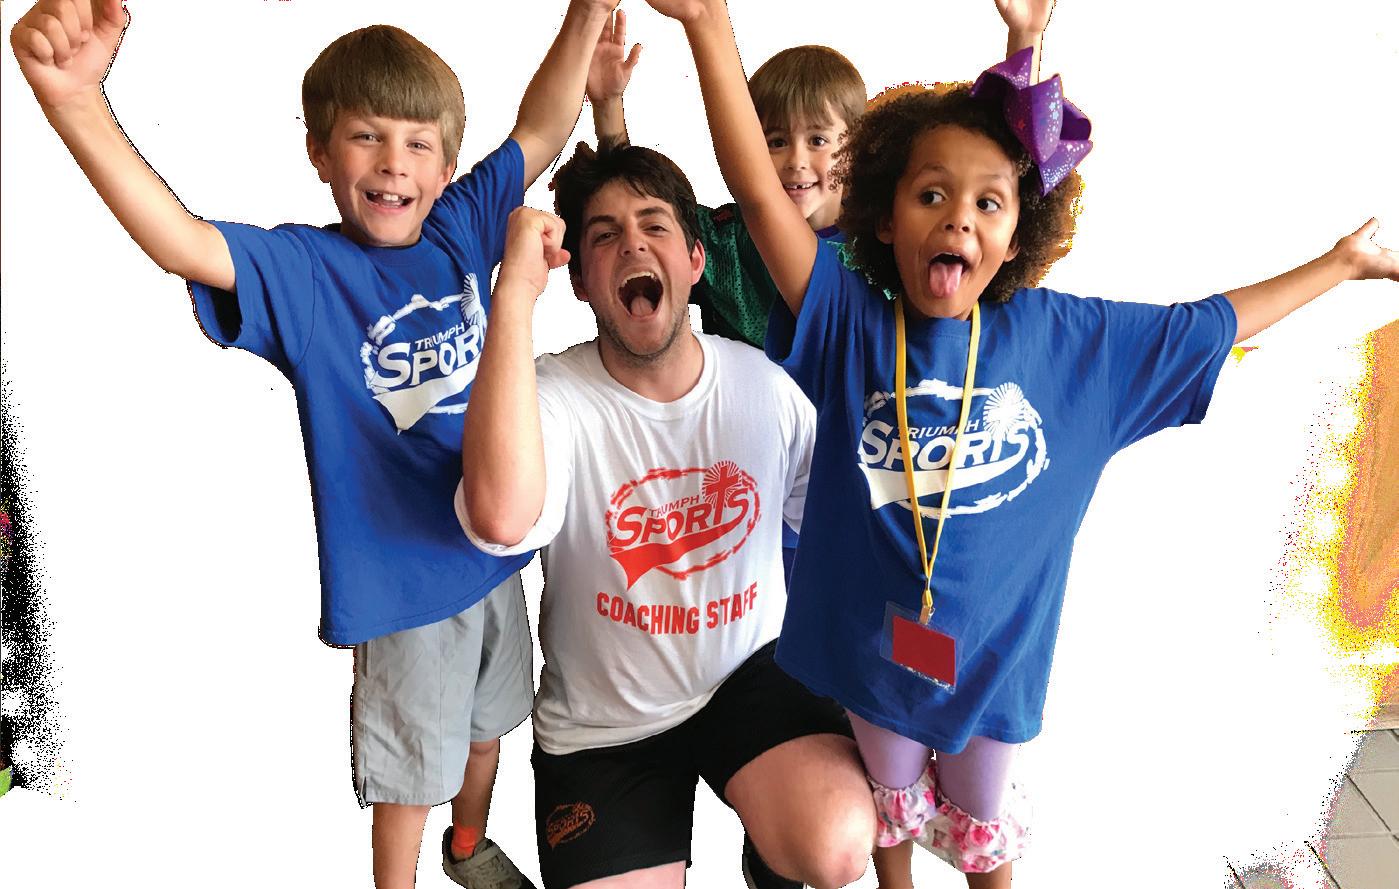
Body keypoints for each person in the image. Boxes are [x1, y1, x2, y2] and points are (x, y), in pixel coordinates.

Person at [641, 0, 1399, 885]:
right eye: (930, 196)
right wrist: (706, 23)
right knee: (891, 809)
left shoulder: (1069, 345)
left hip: (991, 668)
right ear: (883, 218)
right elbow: (758, 192)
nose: (957, 220)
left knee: (981, 826)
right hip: (871, 650)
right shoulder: (848, 322)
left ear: (1015, 234)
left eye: (986, 206)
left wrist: (1338, 265)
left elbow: (1207, 325)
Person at [9, 1, 622, 886]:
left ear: (446, 165)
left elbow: (541, 129)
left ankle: (467, 847)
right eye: (367, 137)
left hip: (493, 557)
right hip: (403, 591)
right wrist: (75, 102)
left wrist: (587, 11)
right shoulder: (307, 271)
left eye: (417, 144)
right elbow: (183, 243)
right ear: (321, 153)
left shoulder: (457, 227)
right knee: (410, 777)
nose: (393, 162)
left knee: (489, 730)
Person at [455, 141, 874, 889]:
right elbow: (499, 519)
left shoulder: (764, 383)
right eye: (604, 235)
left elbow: (840, 527)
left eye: (654, 225)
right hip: (605, 724)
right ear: (580, 280)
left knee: (837, 845)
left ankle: (771, 849)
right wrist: (513, 292)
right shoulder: (549, 396)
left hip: (750, 675)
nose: (632, 244)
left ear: (694, 260)